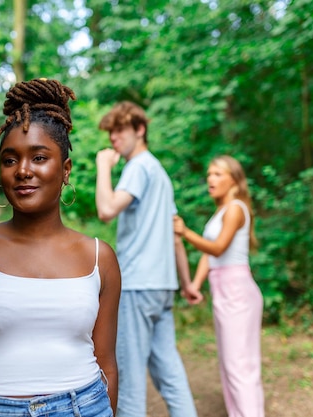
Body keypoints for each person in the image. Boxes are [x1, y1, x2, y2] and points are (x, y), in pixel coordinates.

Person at [0, 78, 122, 417]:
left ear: (65, 170)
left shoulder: (99, 258)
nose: (23, 171)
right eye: (10, 160)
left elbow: (106, 362)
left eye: (39, 157)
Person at [95, 101, 198, 417]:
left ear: (140, 130)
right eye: (111, 133)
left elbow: (107, 209)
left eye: (120, 130)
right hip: (162, 288)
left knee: (128, 383)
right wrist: (186, 284)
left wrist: (103, 167)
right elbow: (175, 235)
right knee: (170, 374)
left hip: (138, 287)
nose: (113, 139)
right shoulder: (160, 173)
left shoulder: (137, 167)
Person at [173, 155, 265, 417]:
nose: (210, 179)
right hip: (223, 290)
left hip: (238, 292)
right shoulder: (222, 210)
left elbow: (218, 247)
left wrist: (185, 232)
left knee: (240, 366)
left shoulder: (236, 208)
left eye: (217, 174)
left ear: (234, 180)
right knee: (229, 365)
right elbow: (210, 255)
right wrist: (195, 284)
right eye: (209, 174)